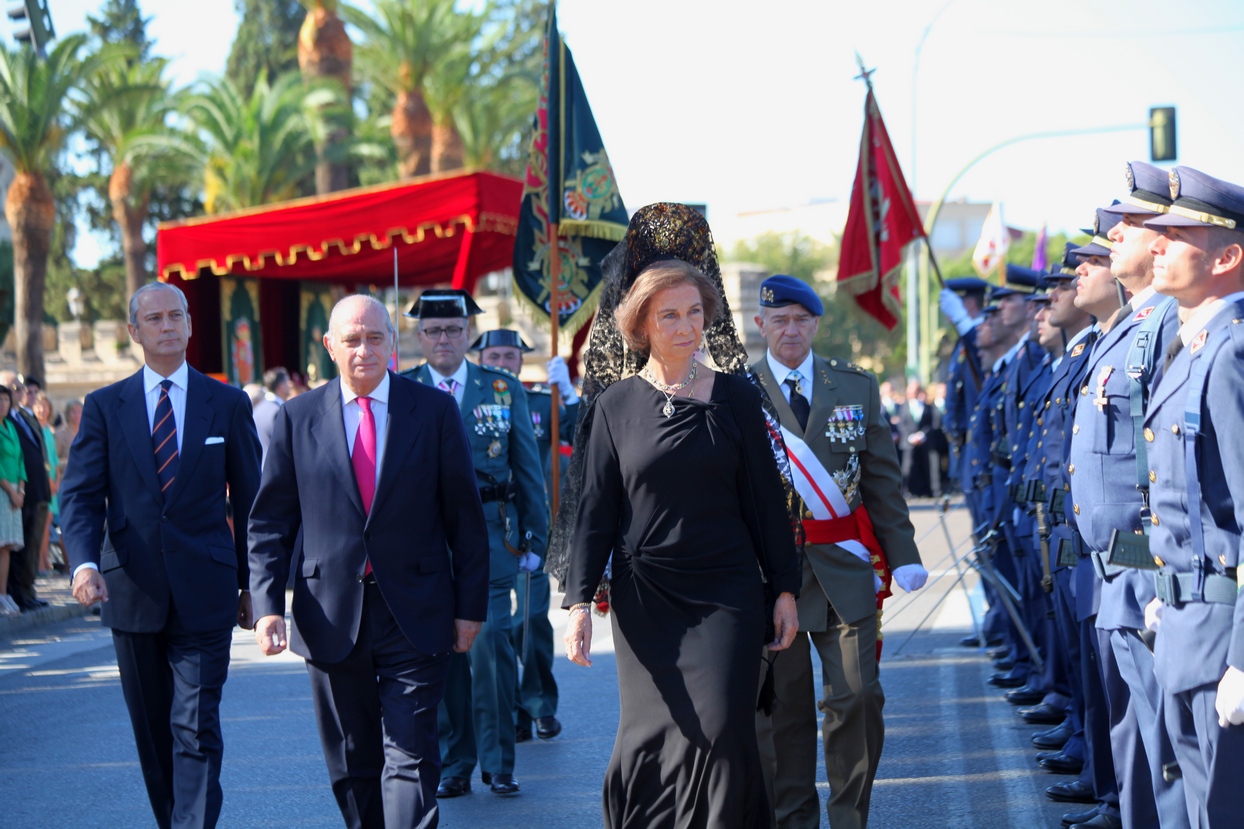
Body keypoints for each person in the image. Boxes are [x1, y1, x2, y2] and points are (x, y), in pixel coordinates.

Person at [557, 204, 800, 829]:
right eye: (671, 315)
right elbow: (595, 511)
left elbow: (766, 505)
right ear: (642, 323)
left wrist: (786, 590)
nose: (687, 326)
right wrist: (579, 602)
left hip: (728, 593)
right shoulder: (614, 406)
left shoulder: (737, 399)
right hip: (647, 599)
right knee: (651, 738)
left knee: (721, 730)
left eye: (696, 313)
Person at [248, 294, 489, 829]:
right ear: (330, 347)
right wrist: (267, 606)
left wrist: (470, 608)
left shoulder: (431, 412)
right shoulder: (295, 418)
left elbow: (465, 519)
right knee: (354, 762)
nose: (364, 350)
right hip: (330, 615)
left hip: (417, 614)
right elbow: (270, 522)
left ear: (393, 344)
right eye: (351, 340)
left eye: (375, 338)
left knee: (411, 755)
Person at [60, 281, 262, 829]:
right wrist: (81, 563)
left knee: (195, 727)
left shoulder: (227, 402)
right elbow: (78, 494)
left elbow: (251, 501)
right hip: (131, 589)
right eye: (154, 319)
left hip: (207, 591)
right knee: (153, 733)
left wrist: (253, 586)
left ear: (191, 325)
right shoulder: (105, 407)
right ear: (134, 331)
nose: (167, 326)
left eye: (177, 316)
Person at [750, 273, 926, 829]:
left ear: (816, 324)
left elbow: (881, 481)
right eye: (780, 320)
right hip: (770, 579)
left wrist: (903, 554)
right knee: (784, 712)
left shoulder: (855, 386)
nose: (791, 330)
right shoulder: (735, 390)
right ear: (762, 326)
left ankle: (850, 817)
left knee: (857, 699)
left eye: (802, 319)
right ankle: (793, 818)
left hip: (845, 571)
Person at [1063, 161, 1187, 829]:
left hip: (1146, 562)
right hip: (1117, 565)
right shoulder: (1129, 326)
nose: (1111, 239)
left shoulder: (1164, 324)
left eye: (1126, 228)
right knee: (1131, 729)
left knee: (1163, 741)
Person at [401, 290, 548, 799]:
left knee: (490, 653)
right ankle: (454, 763)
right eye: (434, 331)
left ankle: (499, 762)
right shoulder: (401, 390)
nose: (444, 338)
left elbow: (528, 471)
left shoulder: (502, 389)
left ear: (469, 335)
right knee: (443, 657)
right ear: (420, 337)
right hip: (426, 546)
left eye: (454, 329)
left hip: (491, 539)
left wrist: (536, 535)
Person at [1139, 166, 1244, 827]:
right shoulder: (1191, 349)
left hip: (1219, 640)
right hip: (1181, 627)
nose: (1156, 245)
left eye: (1176, 236)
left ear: (1227, 256)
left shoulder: (1231, 353)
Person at [469, 328, 576, 744]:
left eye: (510, 356)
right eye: (494, 355)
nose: (502, 363)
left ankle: (539, 704)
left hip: (528, 525)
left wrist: (566, 395)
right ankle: (509, 706)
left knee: (530, 618)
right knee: (494, 625)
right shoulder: (466, 402)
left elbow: (583, 429)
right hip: (487, 524)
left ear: (520, 362)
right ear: (480, 358)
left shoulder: (537, 402)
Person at [1, 371, 49, 612]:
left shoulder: (21, 418)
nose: (18, 393)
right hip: (17, 495)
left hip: (34, 490)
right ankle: (17, 593)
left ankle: (27, 591)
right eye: (13, 388)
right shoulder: (7, 420)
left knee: (31, 544)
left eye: (19, 389)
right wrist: (16, 490)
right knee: (17, 548)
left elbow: (30, 455)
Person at [0, 386, 26, 617]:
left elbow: (19, 460)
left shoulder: (10, 427)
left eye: (6, 399)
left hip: (15, 492)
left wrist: (22, 490)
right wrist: (11, 491)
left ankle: (3, 594)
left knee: (6, 545)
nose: (3, 404)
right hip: (3, 491)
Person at [32, 392, 59, 577]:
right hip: (43, 482)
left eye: (45, 406)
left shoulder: (49, 430)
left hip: (53, 483)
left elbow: (54, 459)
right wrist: (49, 480)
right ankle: (40, 563)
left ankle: (44, 560)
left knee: (48, 524)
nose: (42, 409)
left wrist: (56, 479)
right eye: (39, 406)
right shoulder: (35, 428)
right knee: (41, 526)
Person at [251, 367, 291, 462]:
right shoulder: (277, 411)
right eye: (287, 382)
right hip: (275, 466)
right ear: (281, 386)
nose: (289, 385)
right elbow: (284, 445)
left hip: (260, 464)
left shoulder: (258, 407)